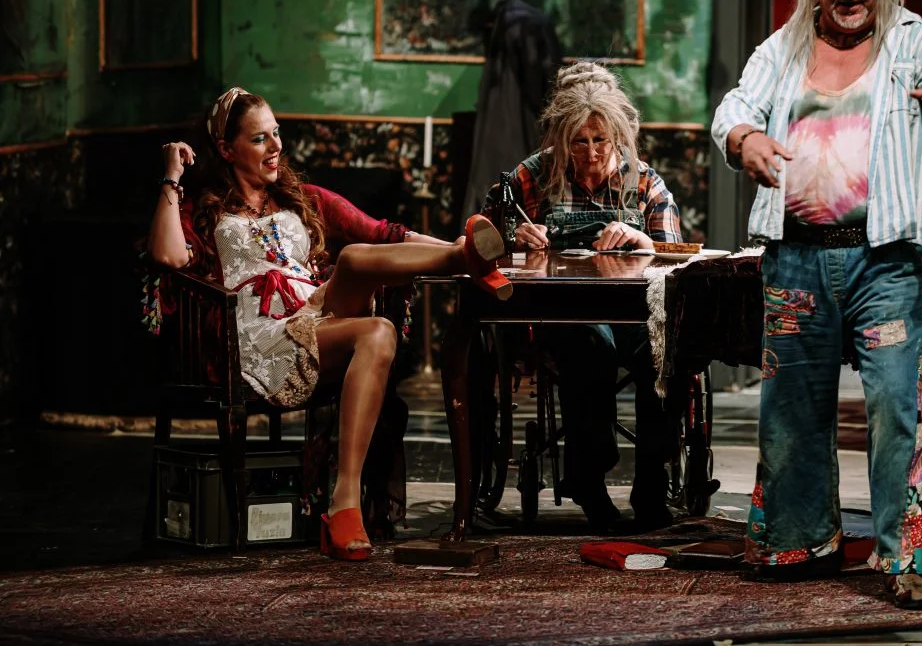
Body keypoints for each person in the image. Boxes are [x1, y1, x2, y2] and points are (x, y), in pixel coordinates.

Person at [711, 0, 922, 609]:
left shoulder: (914, 40)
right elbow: (733, 108)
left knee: (895, 407)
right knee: (790, 410)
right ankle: (798, 543)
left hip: (884, 263)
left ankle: (903, 558)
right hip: (797, 261)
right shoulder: (783, 48)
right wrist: (744, 138)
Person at [147, 87, 510, 561]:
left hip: (314, 309)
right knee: (377, 327)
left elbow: (385, 234)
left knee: (357, 256)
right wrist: (172, 176)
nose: (276, 146)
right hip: (260, 337)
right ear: (226, 149)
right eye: (259, 139)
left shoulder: (302, 199)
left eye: (277, 133)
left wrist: (456, 243)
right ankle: (346, 503)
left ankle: (463, 256)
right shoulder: (205, 207)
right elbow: (168, 256)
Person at [486, 61, 683, 531]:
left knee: (665, 352)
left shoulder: (643, 182)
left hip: (633, 316)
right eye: (578, 142)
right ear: (560, 138)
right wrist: (514, 239)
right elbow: (481, 243)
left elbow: (676, 258)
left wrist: (643, 241)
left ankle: (651, 482)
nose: (591, 153)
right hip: (565, 318)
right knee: (588, 345)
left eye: (601, 141)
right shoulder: (530, 177)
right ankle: (589, 480)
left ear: (619, 136)